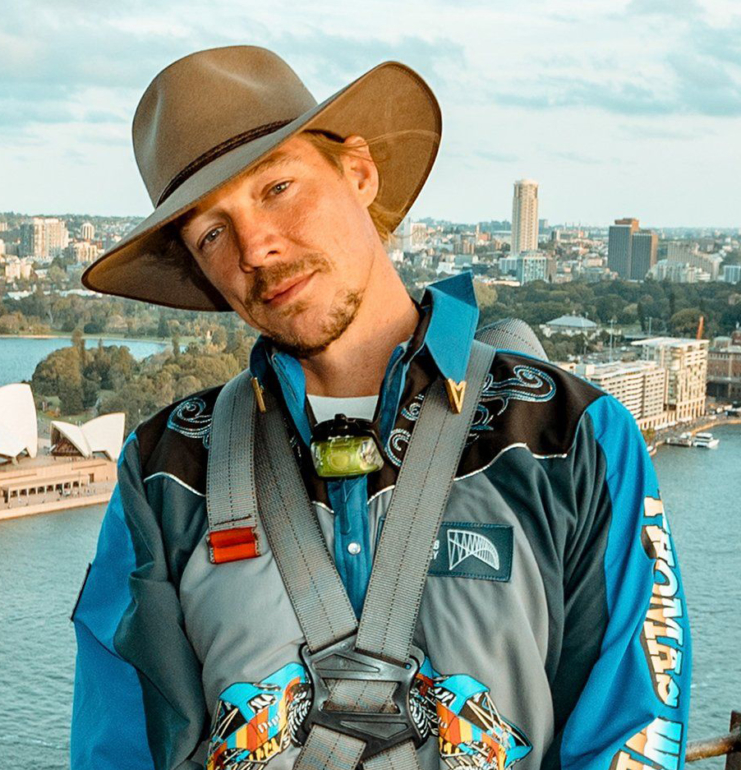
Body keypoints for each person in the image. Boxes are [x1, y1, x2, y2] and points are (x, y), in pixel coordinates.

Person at [71, 46, 690, 770]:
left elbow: (631, 736)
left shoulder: (570, 438)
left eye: (277, 187)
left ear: (359, 173)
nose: (255, 248)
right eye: (212, 232)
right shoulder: (164, 471)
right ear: (202, 269)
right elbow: (121, 746)